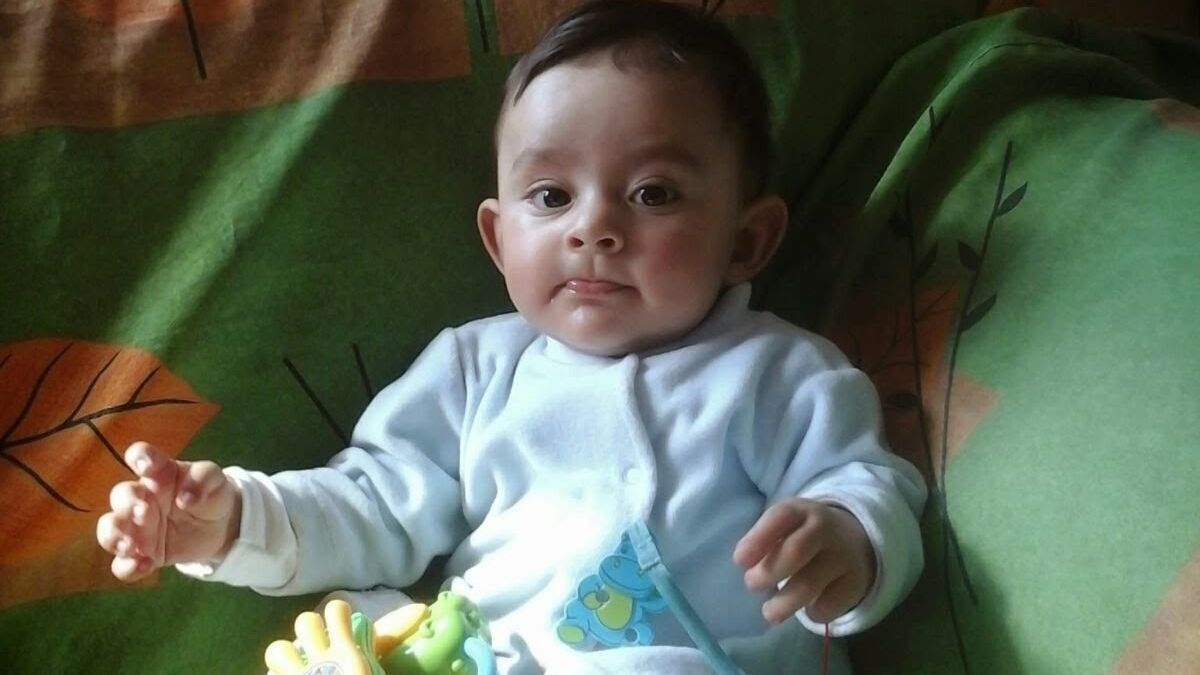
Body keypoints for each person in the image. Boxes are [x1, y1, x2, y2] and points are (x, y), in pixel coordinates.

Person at [96, 1, 926, 672]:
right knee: (358, 625)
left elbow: (867, 482)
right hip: (489, 655)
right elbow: (372, 506)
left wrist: (849, 541)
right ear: (498, 239)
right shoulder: (476, 368)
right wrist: (236, 519)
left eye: (653, 194)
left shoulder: (779, 371)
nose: (594, 227)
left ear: (746, 241)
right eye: (552, 196)